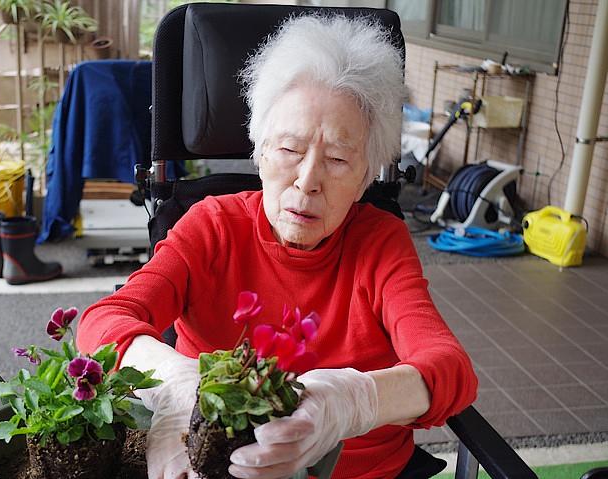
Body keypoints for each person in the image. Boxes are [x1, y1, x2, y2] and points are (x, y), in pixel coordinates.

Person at [77, 13, 478, 479]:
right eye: (289, 149)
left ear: (366, 175)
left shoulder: (378, 241)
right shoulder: (211, 226)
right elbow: (103, 322)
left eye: (338, 159)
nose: (308, 182)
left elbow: (450, 370)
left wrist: (353, 403)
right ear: (260, 151)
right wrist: (178, 385)